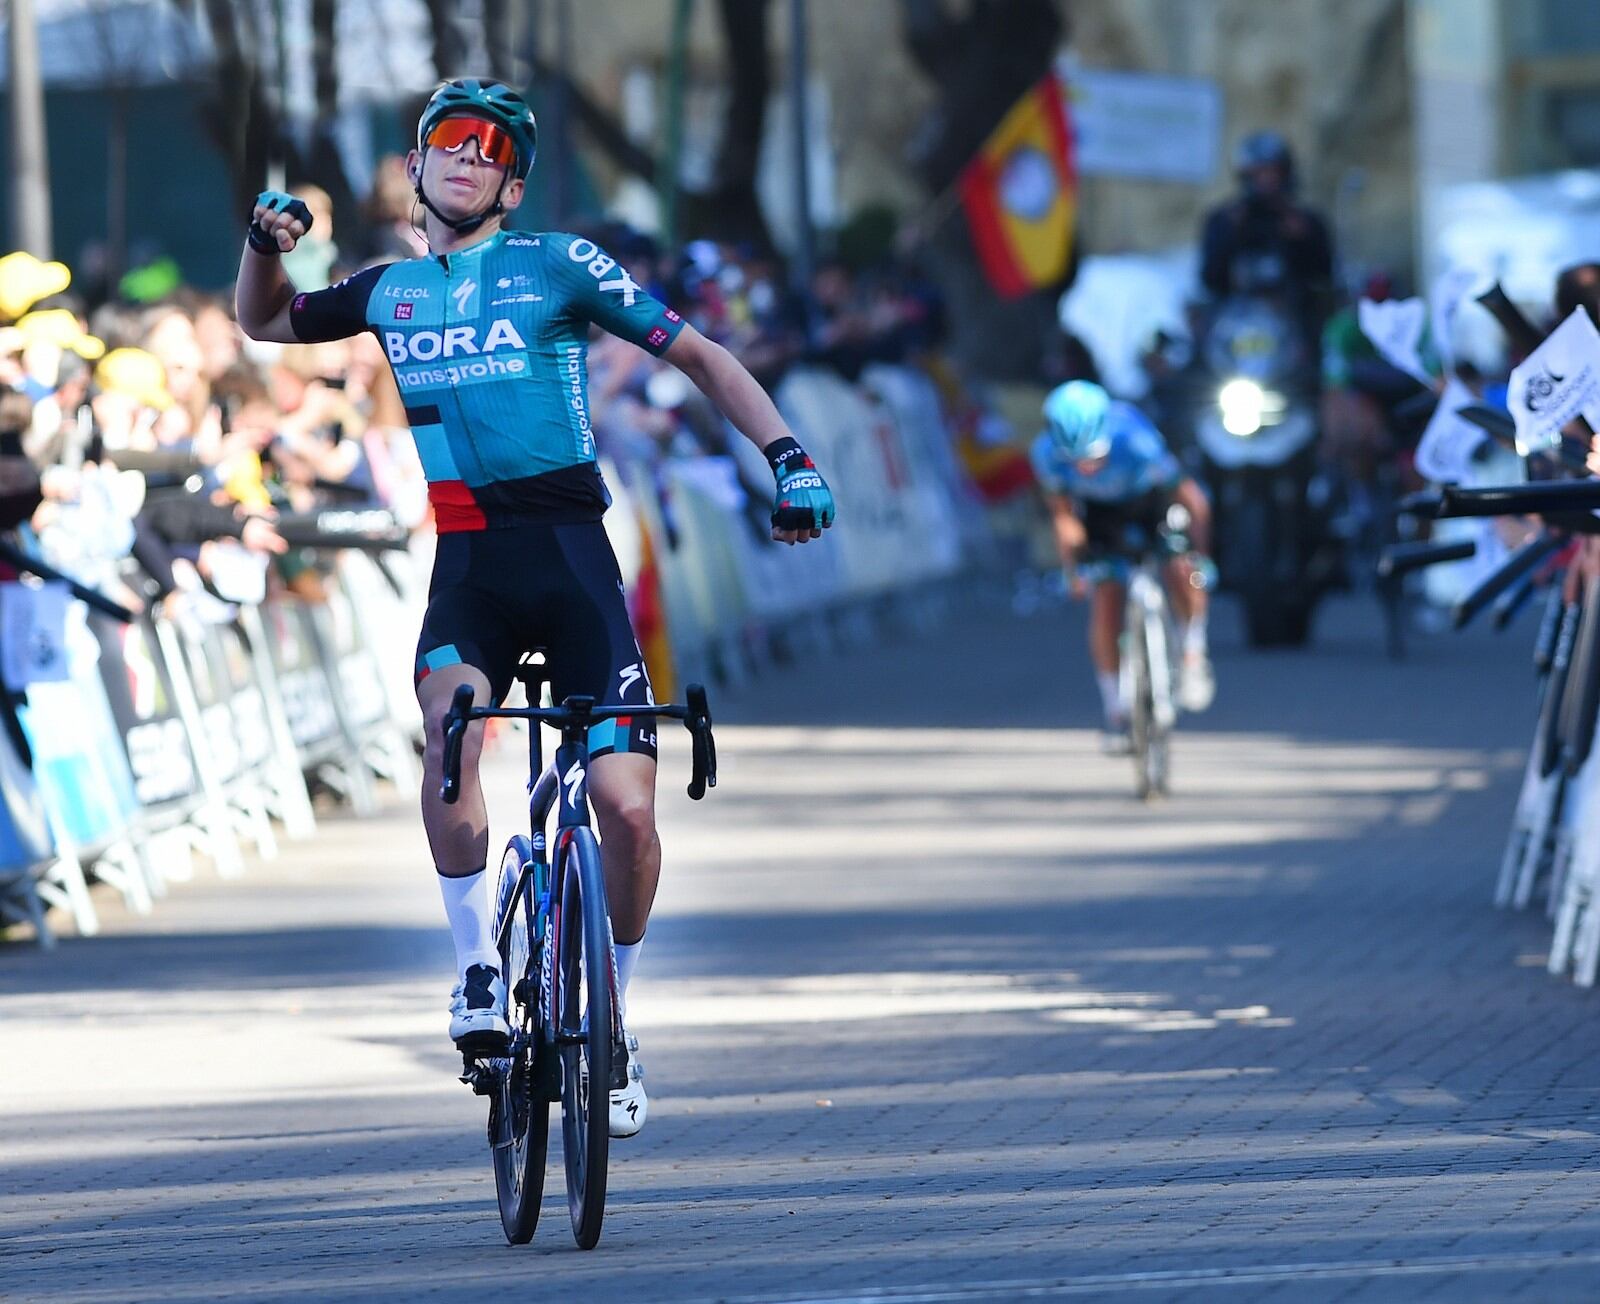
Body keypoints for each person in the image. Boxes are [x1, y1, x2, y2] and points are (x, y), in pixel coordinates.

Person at [234, 79, 835, 1140]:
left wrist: (787, 455)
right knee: (451, 734)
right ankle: (473, 971)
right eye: (448, 143)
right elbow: (267, 319)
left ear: (511, 182)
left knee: (633, 814)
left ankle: (614, 1014)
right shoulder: (387, 290)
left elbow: (695, 354)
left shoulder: (556, 264)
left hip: (572, 562)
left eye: (491, 149)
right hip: (471, 565)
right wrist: (265, 245)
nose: (467, 159)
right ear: (416, 167)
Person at [1032, 380, 1215, 751]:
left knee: (1181, 567)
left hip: (1152, 503)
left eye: (1094, 458)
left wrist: (1202, 557)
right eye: (1076, 462)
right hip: (1102, 518)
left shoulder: (1135, 439)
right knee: (1106, 599)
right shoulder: (1046, 454)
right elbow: (1064, 518)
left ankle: (1193, 651)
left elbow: (1192, 500)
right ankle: (1116, 709)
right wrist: (1073, 571)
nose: (1086, 469)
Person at [1199, 131, 1333, 332]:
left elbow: (1323, 276)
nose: (1267, 181)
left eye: (1273, 172)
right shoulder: (1224, 219)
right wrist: (1230, 235)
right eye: (1259, 173)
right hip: (1235, 321)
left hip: (1292, 322)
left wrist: (1303, 240)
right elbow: (1210, 280)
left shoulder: (1306, 222)